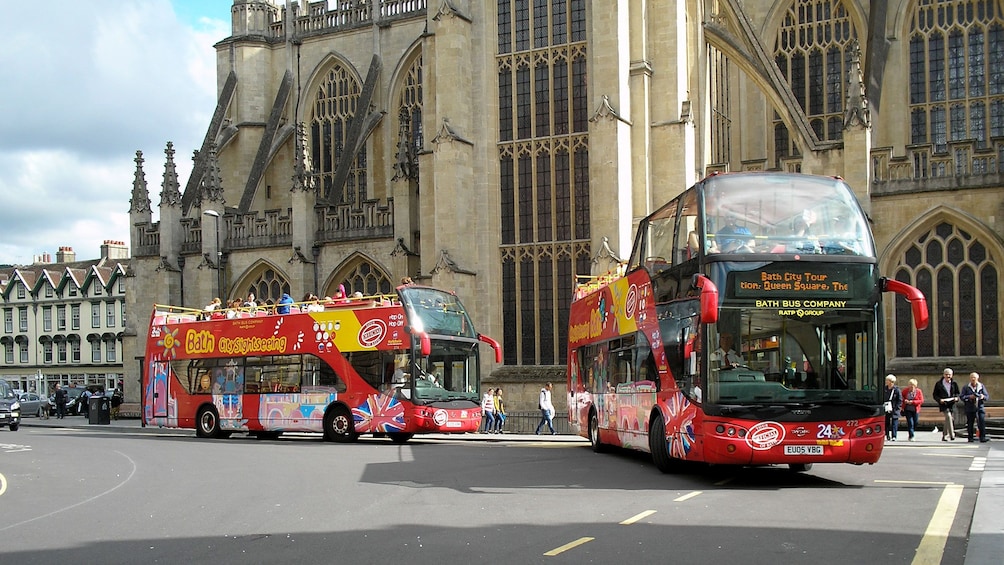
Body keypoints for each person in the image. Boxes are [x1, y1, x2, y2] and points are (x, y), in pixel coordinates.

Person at [960, 372, 990, 443]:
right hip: (970, 408)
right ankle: (970, 438)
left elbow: (987, 396)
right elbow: (962, 397)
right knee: (970, 423)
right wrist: (969, 397)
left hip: (980, 407)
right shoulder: (966, 387)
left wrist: (982, 397)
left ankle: (982, 437)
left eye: (974, 378)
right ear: (970, 378)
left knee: (981, 422)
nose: (973, 379)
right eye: (972, 378)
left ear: (977, 378)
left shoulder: (981, 386)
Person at [932, 368, 960, 441]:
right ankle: (952, 434)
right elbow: (935, 395)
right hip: (944, 404)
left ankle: (944, 436)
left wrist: (957, 398)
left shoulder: (954, 383)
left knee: (948, 419)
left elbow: (957, 393)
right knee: (949, 417)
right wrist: (939, 400)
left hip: (952, 403)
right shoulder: (939, 384)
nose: (948, 376)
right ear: (943, 375)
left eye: (949, 375)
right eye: (946, 374)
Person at [884, 374, 902, 441]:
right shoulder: (884, 389)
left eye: (887, 380)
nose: (886, 381)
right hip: (886, 408)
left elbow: (900, 399)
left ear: (891, 381)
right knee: (886, 422)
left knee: (894, 422)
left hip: (894, 408)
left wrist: (897, 407)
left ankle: (894, 436)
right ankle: (887, 435)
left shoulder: (896, 390)